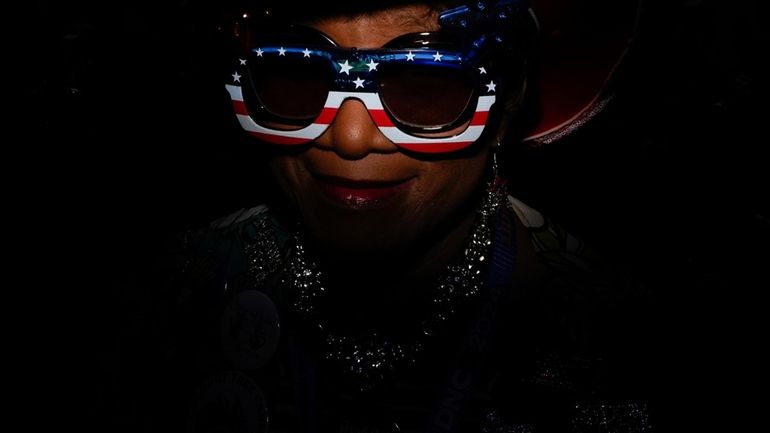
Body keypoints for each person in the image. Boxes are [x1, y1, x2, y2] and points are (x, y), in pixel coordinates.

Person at [105, 0, 661, 432]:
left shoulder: (615, 337)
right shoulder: (176, 288)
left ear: (507, 101)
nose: (349, 138)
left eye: (426, 82)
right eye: (293, 74)